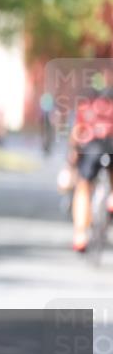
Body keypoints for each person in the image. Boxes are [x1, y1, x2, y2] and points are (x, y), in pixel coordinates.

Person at [65, 88, 113, 252]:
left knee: (83, 185)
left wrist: (72, 157)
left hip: (92, 149)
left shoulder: (85, 107)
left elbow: (77, 133)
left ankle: (80, 234)